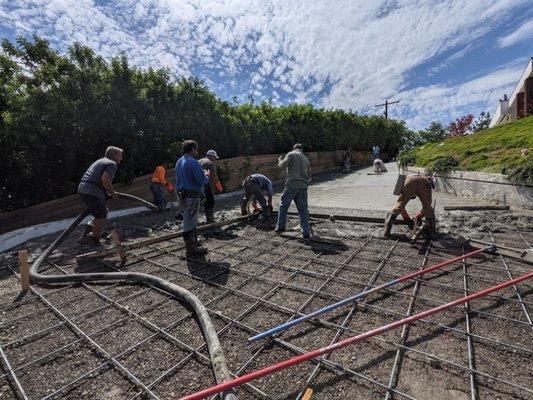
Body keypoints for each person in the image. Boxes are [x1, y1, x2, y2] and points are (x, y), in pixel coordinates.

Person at [77, 146, 123, 245]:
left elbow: (98, 180)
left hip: (85, 189)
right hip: (91, 190)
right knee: (101, 214)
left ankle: (85, 237)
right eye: (120, 155)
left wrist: (105, 193)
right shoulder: (111, 163)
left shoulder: (101, 161)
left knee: (101, 212)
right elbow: (105, 180)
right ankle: (94, 240)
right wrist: (113, 193)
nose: (121, 158)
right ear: (114, 155)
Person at [175, 140, 210, 256]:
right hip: (191, 195)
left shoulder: (179, 161)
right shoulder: (193, 162)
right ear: (192, 149)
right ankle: (191, 249)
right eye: (196, 149)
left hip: (182, 195)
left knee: (189, 219)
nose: (197, 151)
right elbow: (201, 180)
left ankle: (193, 241)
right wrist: (206, 174)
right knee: (190, 221)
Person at [275, 143, 311, 239]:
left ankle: (280, 227)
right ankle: (306, 232)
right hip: (303, 187)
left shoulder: (291, 154)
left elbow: (282, 166)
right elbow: (309, 176)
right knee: (303, 210)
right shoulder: (306, 159)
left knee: (283, 206)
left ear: (294, 148)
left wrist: (279, 160)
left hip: (292, 186)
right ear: (301, 150)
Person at [384, 174, 436, 238]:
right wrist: (417, 217)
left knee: (399, 205)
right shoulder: (423, 177)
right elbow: (426, 208)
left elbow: (401, 207)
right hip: (424, 181)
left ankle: (386, 232)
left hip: (410, 181)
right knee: (427, 206)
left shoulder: (402, 180)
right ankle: (432, 233)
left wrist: (408, 219)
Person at [198, 150, 223, 223]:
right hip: (205, 185)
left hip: (195, 186)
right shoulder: (210, 163)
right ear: (211, 156)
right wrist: (219, 187)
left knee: (199, 203)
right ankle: (210, 220)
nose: (215, 159)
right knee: (210, 202)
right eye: (215, 157)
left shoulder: (199, 161)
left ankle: (192, 221)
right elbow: (214, 177)